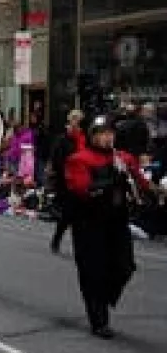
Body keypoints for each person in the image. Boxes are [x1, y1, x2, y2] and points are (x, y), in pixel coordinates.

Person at [63, 116, 154, 338]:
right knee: (93, 271)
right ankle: (99, 320)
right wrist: (111, 181)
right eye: (103, 133)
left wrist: (152, 192)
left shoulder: (123, 158)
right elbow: (82, 189)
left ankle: (103, 298)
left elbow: (140, 182)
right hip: (89, 222)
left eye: (110, 133)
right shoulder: (78, 159)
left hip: (117, 220)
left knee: (125, 266)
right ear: (93, 136)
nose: (108, 138)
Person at [48, 109, 85, 253]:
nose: (75, 123)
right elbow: (56, 160)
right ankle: (57, 239)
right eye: (73, 119)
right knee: (68, 214)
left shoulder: (84, 138)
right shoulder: (62, 139)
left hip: (83, 181)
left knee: (80, 216)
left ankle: (81, 245)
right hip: (67, 181)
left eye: (78, 120)